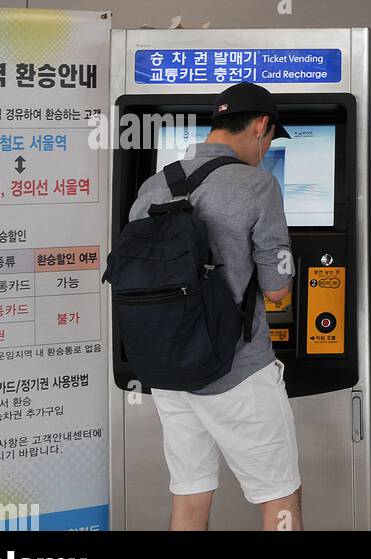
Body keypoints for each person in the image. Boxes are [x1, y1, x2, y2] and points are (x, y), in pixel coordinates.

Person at [128, 82, 301, 531]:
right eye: (270, 140)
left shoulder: (154, 185)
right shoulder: (257, 184)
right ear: (261, 126)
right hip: (237, 371)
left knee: (190, 496)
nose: (265, 150)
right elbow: (278, 289)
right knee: (279, 499)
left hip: (169, 371)